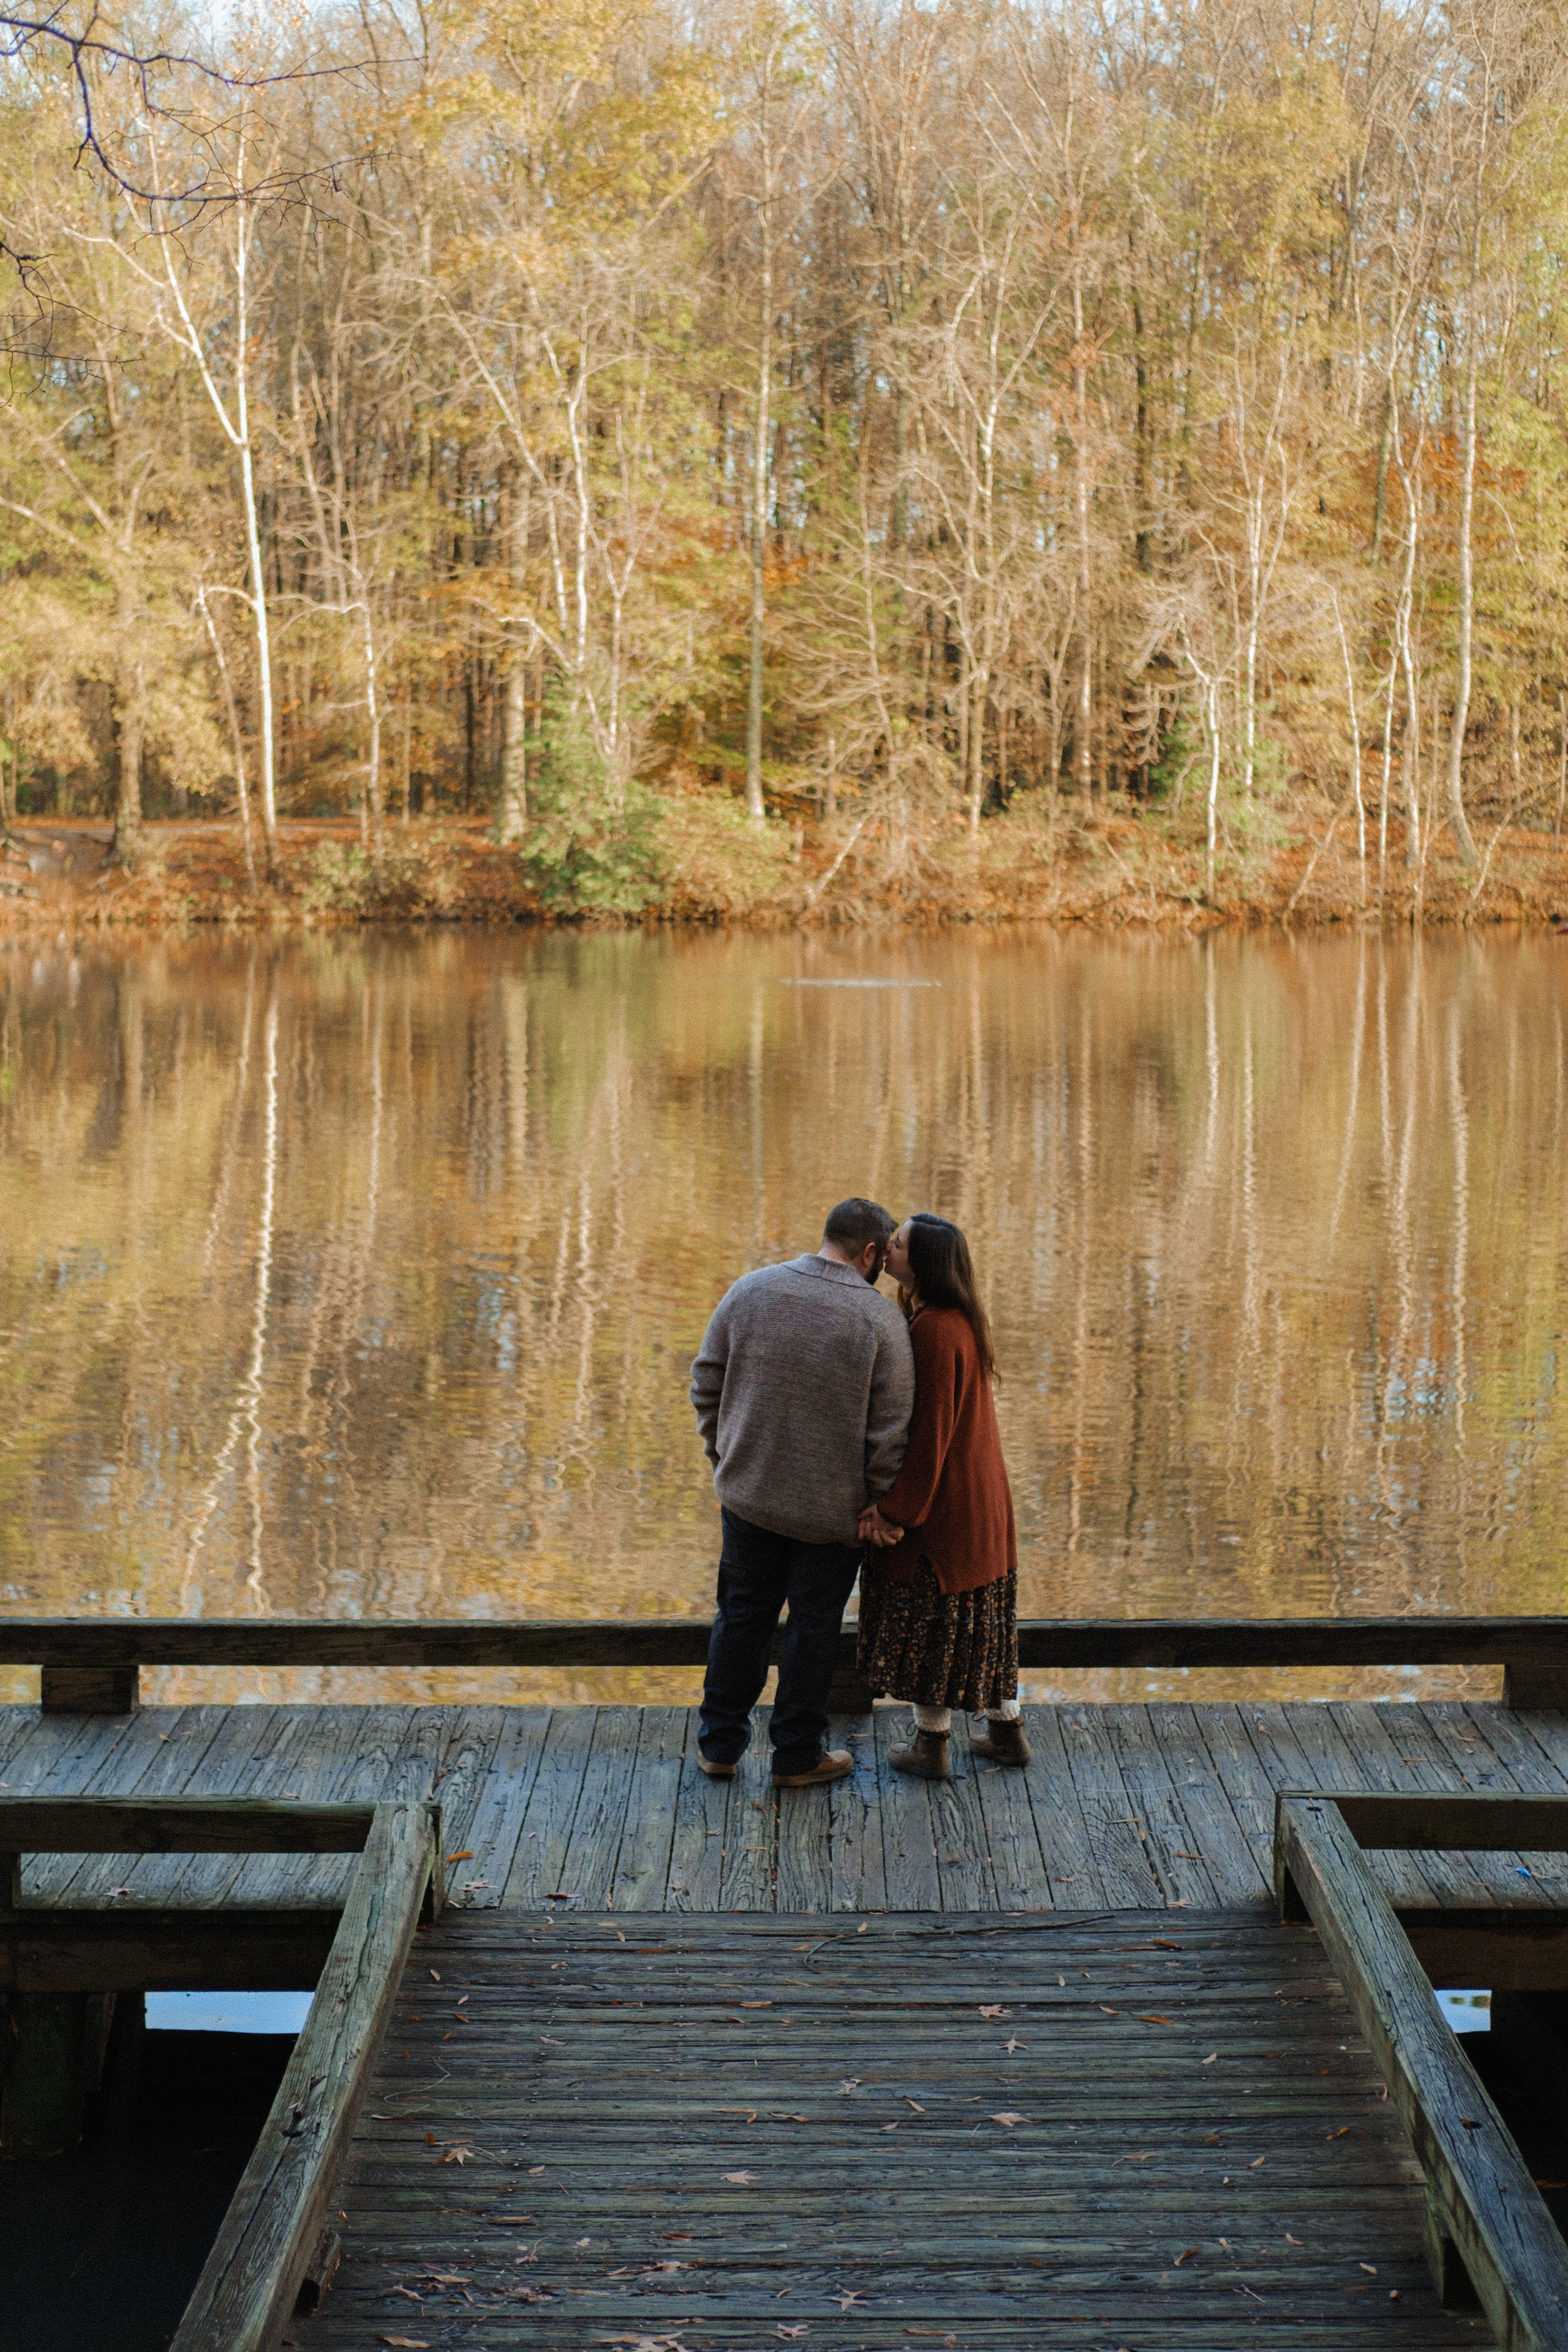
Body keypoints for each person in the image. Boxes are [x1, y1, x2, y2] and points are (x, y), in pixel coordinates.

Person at [690, 1197, 916, 1787]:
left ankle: (719, 1747)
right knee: (814, 1625)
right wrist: (878, 1500)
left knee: (740, 1615)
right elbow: (891, 1432)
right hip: (831, 1513)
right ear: (870, 1253)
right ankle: (795, 1757)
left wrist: (725, 1454)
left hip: (749, 1495)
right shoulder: (880, 1321)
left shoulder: (750, 1289)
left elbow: (706, 1379)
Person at [856, 1212, 1023, 1781]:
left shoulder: (931, 1331)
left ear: (919, 1263)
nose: (888, 1248)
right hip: (984, 1502)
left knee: (931, 1623)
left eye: (897, 1244)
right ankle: (1007, 1733)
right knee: (982, 1627)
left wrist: (896, 1512)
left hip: (948, 1509)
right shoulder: (960, 1320)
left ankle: (932, 1748)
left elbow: (930, 1436)